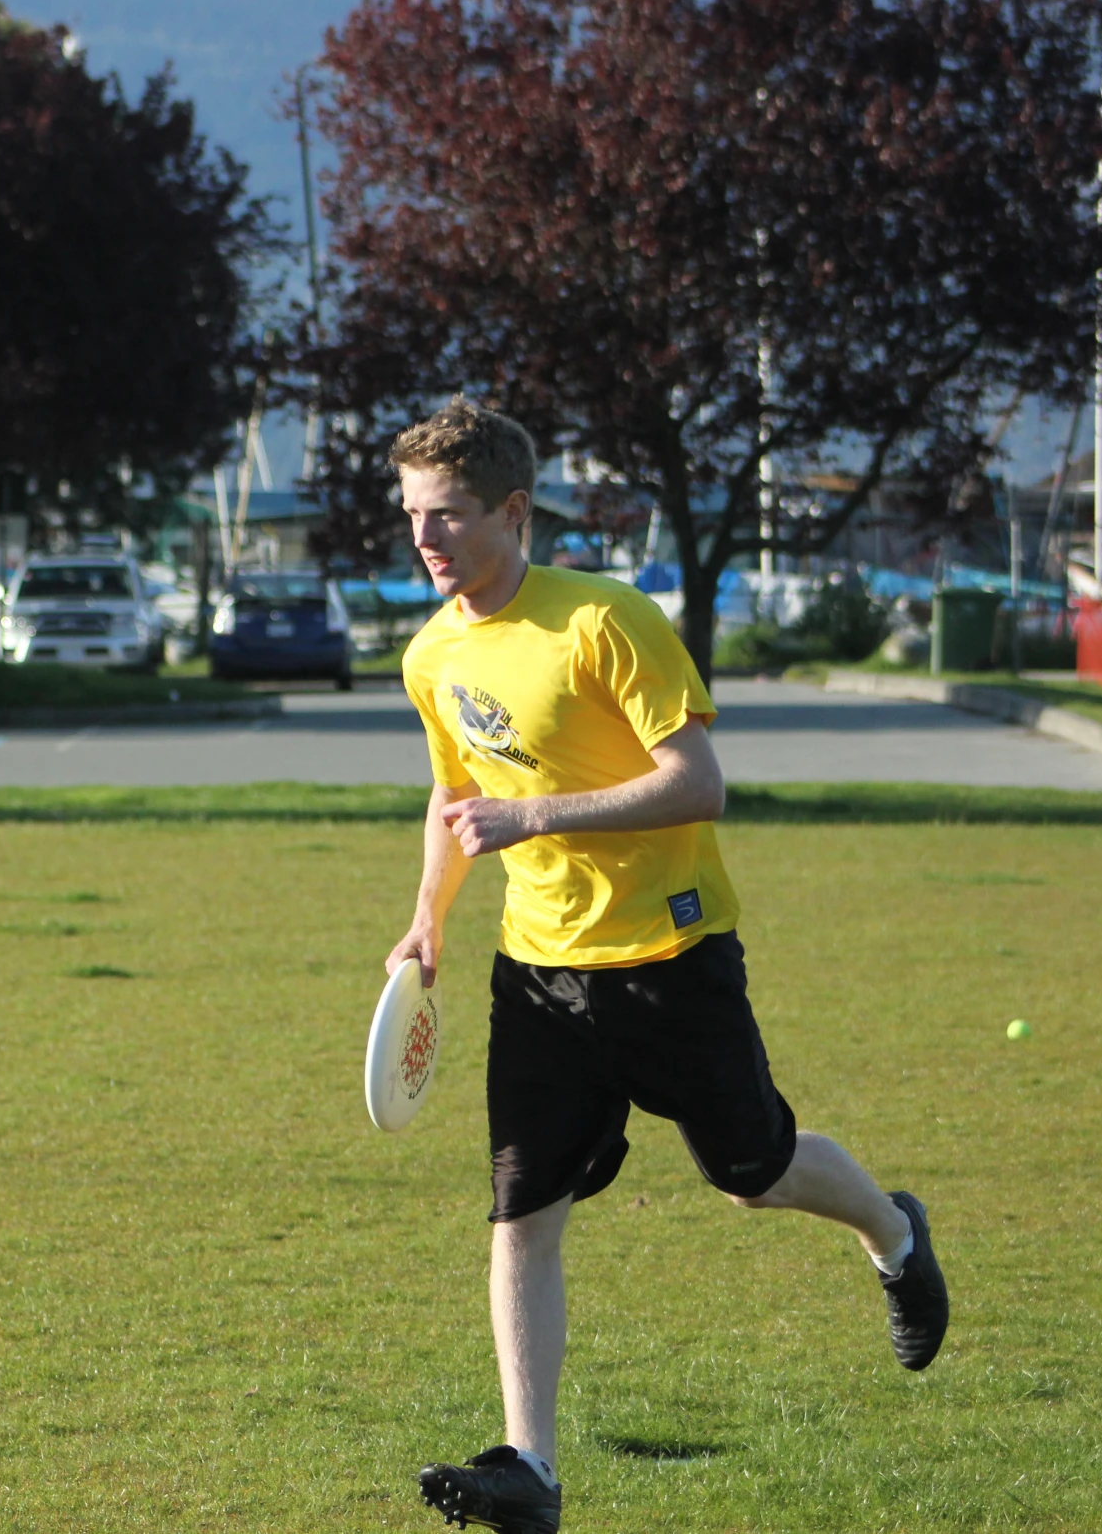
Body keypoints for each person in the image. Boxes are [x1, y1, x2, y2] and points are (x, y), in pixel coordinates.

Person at [382, 398, 948, 1534]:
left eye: (445, 517)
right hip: (535, 970)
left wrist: (540, 814)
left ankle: (892, 1230)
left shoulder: (605, 619)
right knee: (521, 1209)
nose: (424, 541)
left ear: (512, 509)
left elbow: (698, 781)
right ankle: (528, 1470)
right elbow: (456, 807)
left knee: (753, 1172)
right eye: (409, 517)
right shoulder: (431, 651)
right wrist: (427, 920)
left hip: (669, 954)